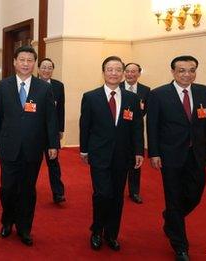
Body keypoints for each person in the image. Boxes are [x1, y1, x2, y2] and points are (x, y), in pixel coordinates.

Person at [147, 55, 206, 261]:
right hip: (170, 155)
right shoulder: (158, 94)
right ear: (173, 72)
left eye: (191, 70)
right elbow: (152, 127)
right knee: (173, 197)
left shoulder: (204, 92)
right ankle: (180, 246)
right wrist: (154, 153)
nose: (187, 74)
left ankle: (171, 217)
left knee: (195, 193)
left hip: (197, 155)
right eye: (182, 70)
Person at [0, 46, 59, 246]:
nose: (26, 64)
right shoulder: (3, 85)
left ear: (34, 64)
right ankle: (7, 221)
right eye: (22, 59)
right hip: (8, 145)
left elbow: (50, 119)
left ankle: (24, 227)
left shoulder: (44, 88)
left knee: (28, 189)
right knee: (7, 188)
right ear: (14, 62)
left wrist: (53, 143)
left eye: (30, 60)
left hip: (33, 147)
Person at [79, 56, 144, 252]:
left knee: (117, 196)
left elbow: (137, 128)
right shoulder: (91, 97)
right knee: (102, 194)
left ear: (123, 73)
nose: (114, 73)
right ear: (103, 72)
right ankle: (97, 231)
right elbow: (85, 126)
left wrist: (139, 151)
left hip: (123, 156)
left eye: (118, 70)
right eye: (110, 69)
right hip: (99, 155)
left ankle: (112, 234)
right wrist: (84, 149)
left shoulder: (132, 99)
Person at [119, 62, 150, 204]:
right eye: (128, 71)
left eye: (133, 72)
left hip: (135, 130)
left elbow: (145, 111)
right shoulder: (117, 86)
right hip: (119, 130)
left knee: (135, 162)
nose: (130, 74)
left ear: (139, 73)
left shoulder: (146, 90)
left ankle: (134, 191)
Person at [37, 58, 66, 204]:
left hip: (51, 131)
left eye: (49, 68)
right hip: (34, 131)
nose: (46, 70)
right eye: (44, 67)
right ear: (38, 69)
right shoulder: (32, 84)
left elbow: (61, 109)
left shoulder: (58, 86)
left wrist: (60, 128)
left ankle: (58, 193)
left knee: (53, 163)